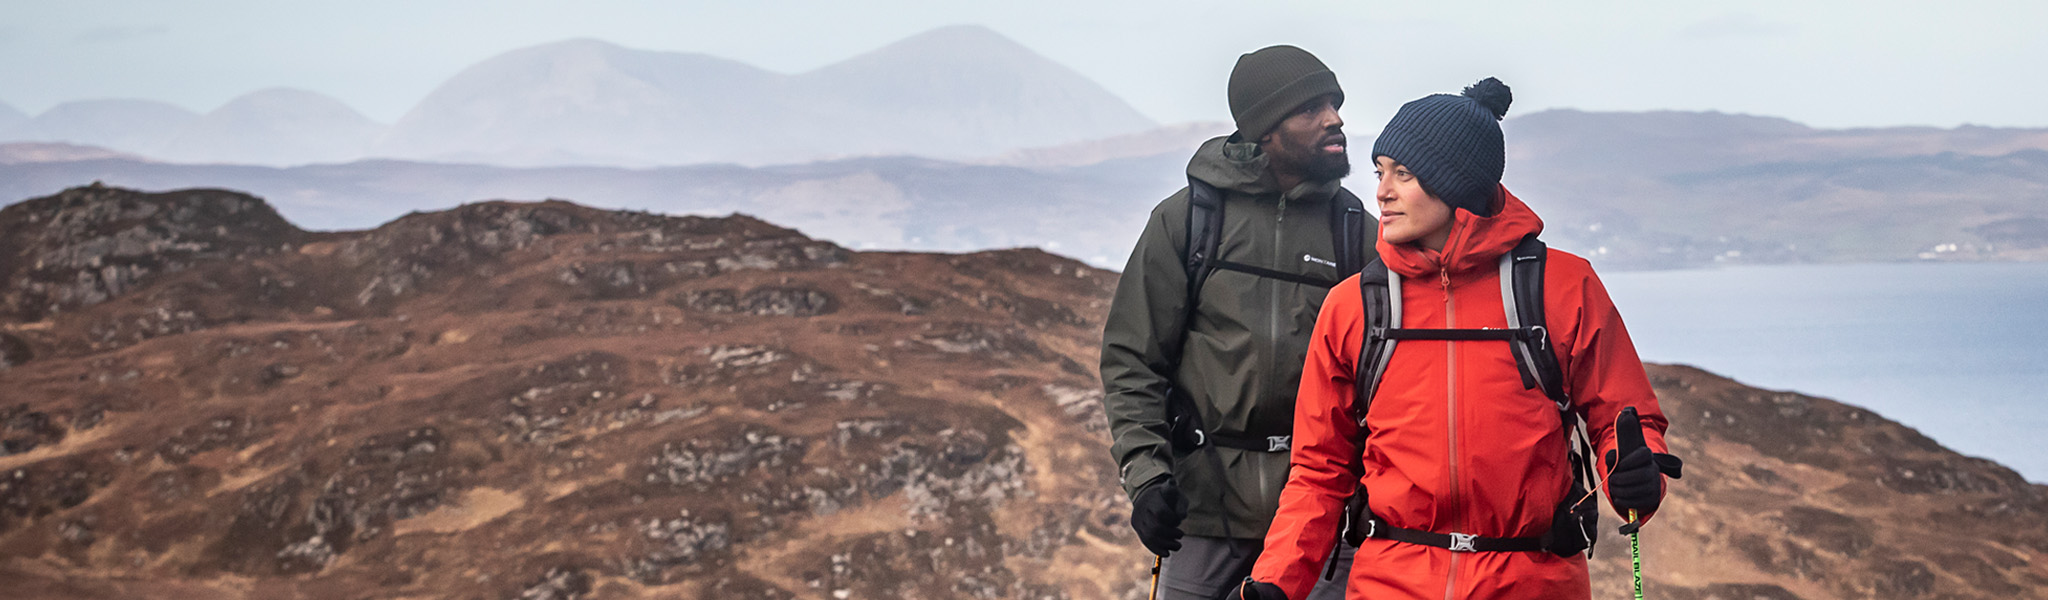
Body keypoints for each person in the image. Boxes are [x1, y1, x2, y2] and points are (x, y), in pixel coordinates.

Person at [1229, 78, 1681, 600]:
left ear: (1457, 183)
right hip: (1390, 583)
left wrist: (1636, 478)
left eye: (1404, 174)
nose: (1382, 192)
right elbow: (1318, 471)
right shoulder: (1353, 306)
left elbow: (1626, 422)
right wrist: (1275, 582)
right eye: (1381, 172)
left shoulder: (1562, 287)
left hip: (1533, 582)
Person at [1100, 45, 1373, 600]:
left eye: (1335, 104)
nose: (1334, 119)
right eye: (1311, 109)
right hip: (1203, 512)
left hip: (1322, 516)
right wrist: (1147, 477)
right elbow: (1133, 360)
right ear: (1264, 131)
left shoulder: (1356, 233)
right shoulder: (1189, 220)